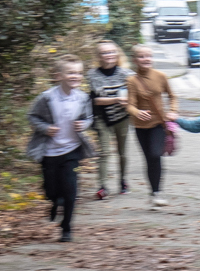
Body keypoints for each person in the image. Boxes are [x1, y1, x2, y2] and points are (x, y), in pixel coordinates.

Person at [27, 57, 94, 242]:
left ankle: (67, 228)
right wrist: (46, 128)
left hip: (72, 150)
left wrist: (84, 124)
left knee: (71, 190)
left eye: (79, 73)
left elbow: (89, 117)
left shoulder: (82, 97)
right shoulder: (47, 97)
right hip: (49, 152)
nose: (76, 76)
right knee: (51, 190)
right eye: (71, 72)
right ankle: (56, 201)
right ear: (59, 76)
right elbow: (32, 117)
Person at [126, 42, 175, 208]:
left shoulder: (160, 76)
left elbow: (172, 96)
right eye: (141, 56)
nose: (146, 59)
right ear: (135, 60)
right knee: (148, 159)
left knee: (155, 155)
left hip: (158, 124)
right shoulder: (132, 81)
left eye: (148, 56)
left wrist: (173, 111)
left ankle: (158, 191)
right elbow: (129, 104)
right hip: (140, 127)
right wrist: (136, 112)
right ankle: (154, 192)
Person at [87, 40, 133, 200]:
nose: (109, 55)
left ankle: (122, 181)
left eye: (112, 52)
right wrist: (117, 100)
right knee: (105, 152)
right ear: (99, 56)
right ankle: (102, 186)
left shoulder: (127, 74)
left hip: (122, 117)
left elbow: (135, 93)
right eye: (105, 52)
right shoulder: (93, 75)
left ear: (117, 54)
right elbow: (96, 100)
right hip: (102, 118)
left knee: (122, 152)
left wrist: (129, 101)